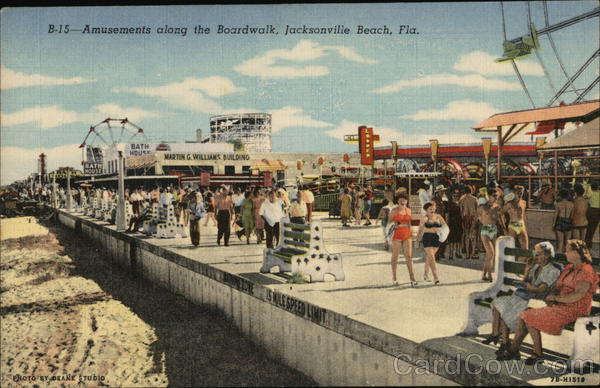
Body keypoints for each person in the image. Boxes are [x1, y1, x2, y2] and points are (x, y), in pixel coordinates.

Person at [498, 240, 598, 365]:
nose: (564, 252)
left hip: (575, 309)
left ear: (576, 253)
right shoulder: (569, 268)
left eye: (567, 250)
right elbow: (557, 286)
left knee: (528, 315)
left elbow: (577, 296)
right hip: (561, 306)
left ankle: (528, 351)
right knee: (525, 313)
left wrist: (555, 299)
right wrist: (553, 296)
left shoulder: (586, 271)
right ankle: (520, 350)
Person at [484, 242, 560, 354]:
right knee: (498, 303)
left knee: (507, 308)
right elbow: (525, 282)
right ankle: (502, 340)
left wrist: (528, 286)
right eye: (535, 253)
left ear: (547, 255)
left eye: (538, 254)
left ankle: (505, 343)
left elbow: (541, 289)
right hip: (526, 296)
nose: (535, 256)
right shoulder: (535, 267)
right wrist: (527, 270)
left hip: (537, 300)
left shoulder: (553, 270)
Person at [388, 195, 417, 286]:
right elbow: (389, 223)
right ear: (398, 201)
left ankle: (412, 278)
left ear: (406, 201)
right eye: (400, 200)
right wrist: (394, 225)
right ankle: (394, 277)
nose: (402, 201)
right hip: (397, 234)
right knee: (395, 257)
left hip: (407, 234)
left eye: (404, 200)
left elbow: (410, 224)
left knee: (409, 257)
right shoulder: (394, 211)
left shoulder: (409, 211)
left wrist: (414, 237)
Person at [417, 202, 446, 285]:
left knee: (429, 258)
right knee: (432, 257)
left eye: (433, 208)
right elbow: (420, 230)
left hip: (436, 238)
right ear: (426, 210)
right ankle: (435, 277)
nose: (432, 210)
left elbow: (445, 226)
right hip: (427, 238)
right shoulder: (424, 218)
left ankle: (425, 274)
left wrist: (441, 232)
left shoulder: (438, 217)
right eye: (430, 209)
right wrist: (417, 241)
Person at [478, 192, 498, 282]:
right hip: (485, 230)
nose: (496, 198)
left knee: (489, 255)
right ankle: (490, 275)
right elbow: (477, 218)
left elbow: (499, 219)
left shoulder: (496, 207)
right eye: (494, 196)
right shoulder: (482, 206)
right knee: (491, 253)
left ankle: (484, 275)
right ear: (489, 196)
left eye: (496, 196)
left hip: (493, 229)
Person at [502, 190, 529, 258]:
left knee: (525, 249)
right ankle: (509, 263)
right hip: (512, 225)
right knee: (511, 247)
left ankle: (520, 264)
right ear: (514, 194)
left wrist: (525, 225)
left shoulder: (524, 202)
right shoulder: (509, 204)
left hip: (521, 224)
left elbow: (523, 214)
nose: (520, 194)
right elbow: (500, 213)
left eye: (521, 193)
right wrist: (503, 226)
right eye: (518, 193)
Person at [459, 185, 479, 260]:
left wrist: (462, 219)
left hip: (465, 217)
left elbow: (461, 211)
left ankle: (467, 254)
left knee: (467, 236)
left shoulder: (462, 199)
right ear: (471, 191)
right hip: (473, 217)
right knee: (473, 236)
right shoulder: (474, 199)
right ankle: (473, 253)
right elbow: (477, 210)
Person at [554, 189, 574, 254]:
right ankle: (567, 256)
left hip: (560, 221)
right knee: (567, 242)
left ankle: (559, 256)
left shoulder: (558, 204)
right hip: (568, 221)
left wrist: (553, 224)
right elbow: (572, 216)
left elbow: (555, 215)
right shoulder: (572, 204)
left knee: (560, 242)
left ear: (561, 195)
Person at [446, 192, 463, 260]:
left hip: (458, 223)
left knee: (458, 239)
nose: (456, 197)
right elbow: (447, 215)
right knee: (451, 240)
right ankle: (451, 254)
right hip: (451, 223)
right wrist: (447, 224)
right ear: (452, 197)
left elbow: (461, 214)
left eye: (457, 196)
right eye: (454, 196)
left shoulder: (459, 204)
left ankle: (458, 252)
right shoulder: (449, 205)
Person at [584, 181, 599, 249]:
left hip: (591, 211)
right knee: (594, 227)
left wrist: (587, 188)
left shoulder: (591, 193)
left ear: (591, 188)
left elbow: (585, 197)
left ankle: (588, 242)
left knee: (589, 227)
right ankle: (589, 241)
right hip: (598, 211)